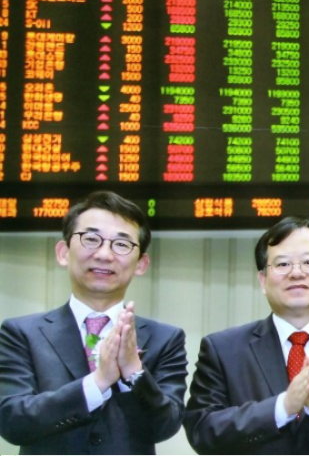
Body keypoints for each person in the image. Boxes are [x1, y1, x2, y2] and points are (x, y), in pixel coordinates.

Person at [0, 190, 188, 454]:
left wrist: (134, 372)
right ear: (63, 252)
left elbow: (166, 425)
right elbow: (12, 421)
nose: (104, 254)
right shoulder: (21, 333)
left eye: (121, 244)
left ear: (141, 264)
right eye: (91, 239)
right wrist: (98, 382)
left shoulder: (165, 338)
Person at [184, 216, 309, 454]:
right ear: (263, 280)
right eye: (282, 264)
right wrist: (282, 407)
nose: (296, 273)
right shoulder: (223, 349)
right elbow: (201, 430)